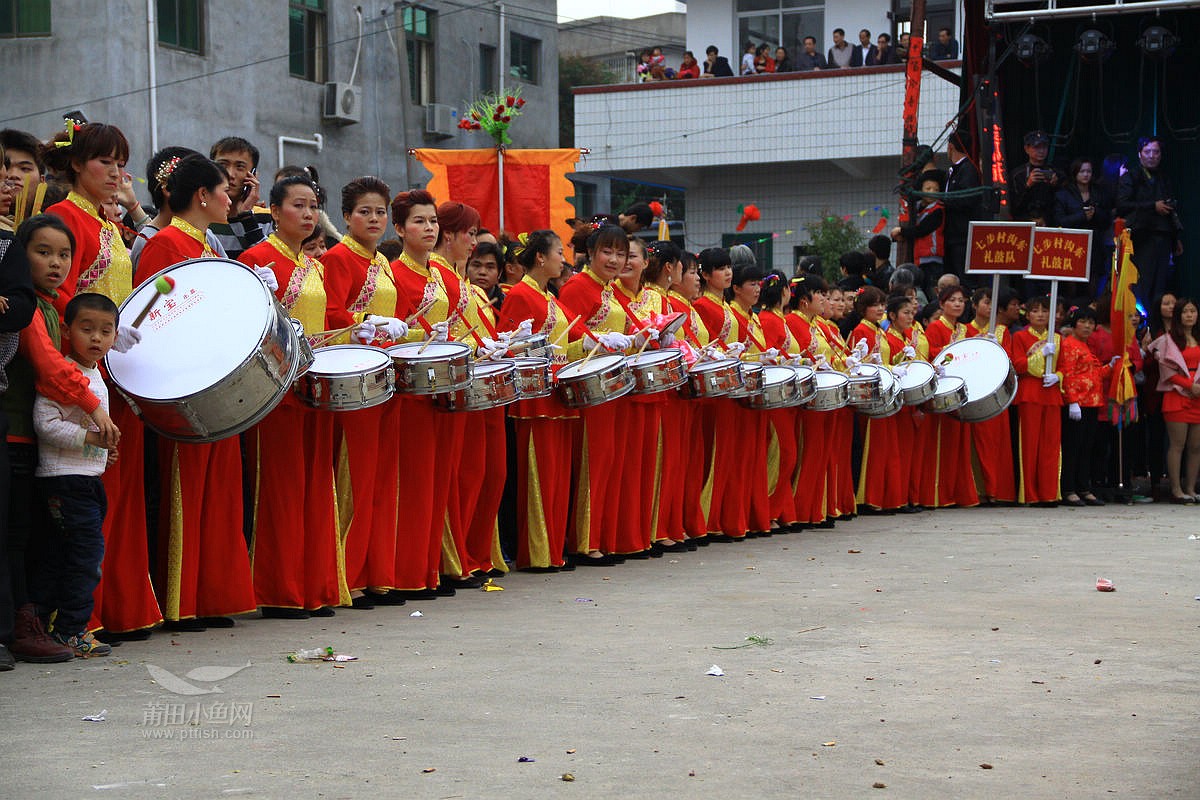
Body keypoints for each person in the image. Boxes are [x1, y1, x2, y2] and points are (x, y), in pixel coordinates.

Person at [42, 121, 162, 639]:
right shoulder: (62, 218)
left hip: (114, 372)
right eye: (104, 162)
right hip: (79, 378)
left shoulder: (109, 223)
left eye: (120, 163)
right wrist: (104, 332)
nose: (116, 173)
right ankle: (80, 616)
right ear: (75, 164)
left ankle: (121, 608)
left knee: (120, 493)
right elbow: (56, 294)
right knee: (93, 497)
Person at [135, 155, 264, 630]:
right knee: (186, 490)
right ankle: (179, 599)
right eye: (224, 190)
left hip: (218, 381)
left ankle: (210, 597)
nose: (232, 198)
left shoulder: (209, 248)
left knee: (220, 492)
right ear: (202, 196)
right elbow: (151, 317)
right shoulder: (166, 243)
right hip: (183, 385)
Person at [239, 175, 346, 617]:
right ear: (275, 211)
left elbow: (330, 322)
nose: (307, 214)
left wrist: (364, 326)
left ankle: (312, 585)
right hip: (275, 389)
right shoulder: (256, 260)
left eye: (312, 206)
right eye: (298, 205)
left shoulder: (316, 266)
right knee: (281, 488)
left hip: (314, 386)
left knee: (315, 486)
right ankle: (278, 589)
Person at [314, 175, 411, 608]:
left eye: (379, 212)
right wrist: (365, 321)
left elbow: (400, 312)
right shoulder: (337, 258)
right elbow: (329, 311)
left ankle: (377, 574)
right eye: (364, 212)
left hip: (385, 375)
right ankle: (346, 576)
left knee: (382, 477)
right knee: (356, 474)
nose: (373, 219)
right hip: (354, 376)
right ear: (346, 216)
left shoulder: (382, 262)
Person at [27, 293, 120, 657]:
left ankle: (44, 623)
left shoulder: (97, 376)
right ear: (66, 329)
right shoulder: (62, 374)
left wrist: (103, 451)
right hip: (64, 479)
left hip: (86, 479)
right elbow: (45, 425)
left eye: (105, 331)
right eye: (87, 329)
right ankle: (70, 628)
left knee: (62, 554)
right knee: (85, 555)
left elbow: (92, 436)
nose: (96, 338)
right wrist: (91, 439)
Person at [498, 230, 586, 570]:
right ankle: (536, 552)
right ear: (540, 257)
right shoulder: (521, 295)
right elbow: (507, 344)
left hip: (558, 395)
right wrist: (536, 349)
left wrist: (603, 343)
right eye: (558, 252)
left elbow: (568, 344)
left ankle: (553, 550)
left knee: (558, 477)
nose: (562, 258)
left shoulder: (551, 298)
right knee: (539, 475)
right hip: (535, 399)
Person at [559, 226, 634, 563]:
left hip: (613, 385)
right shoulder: (577, 286)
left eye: (620, 253)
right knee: (593, 461)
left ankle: (603, 535)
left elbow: (626, 331)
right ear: (591, 252)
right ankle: (584, 541)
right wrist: (598, 340)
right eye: (608, 251)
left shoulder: (611, 290)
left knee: (611, 462)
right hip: (590, 387)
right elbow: (571, 335)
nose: (615, 259)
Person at [0, 221, 52, 668]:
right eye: (43, 252)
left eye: (62, 254)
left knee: (20, 535)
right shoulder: (37, 309)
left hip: (30, 433)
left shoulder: (50, 306)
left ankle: (24, 622)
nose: (54, 263)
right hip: (16, 425)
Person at [919, 285, 979, 508]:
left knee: (959, 442)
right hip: (942, 388)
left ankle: (958, 492)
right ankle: (937, 494)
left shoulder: (966, 330)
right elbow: (930, 355)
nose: (957, 304)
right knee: (940, 440)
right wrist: (950, 349)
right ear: (942, 304)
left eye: (961, 301)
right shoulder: (935, 328)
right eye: (952, 300)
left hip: (962, 389)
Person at [1011, 295, 1064, 505]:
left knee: (1051, 446)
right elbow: (1019, 365)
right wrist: (1041, 354)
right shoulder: (1021, 337)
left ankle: (1049, 493)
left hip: (1051, 394)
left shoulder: (1058, 338)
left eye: (1044, 310)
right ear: (1028, 314)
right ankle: (1030, 494)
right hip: (1030, 392)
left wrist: (1058, 376)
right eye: (1035, 310)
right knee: (1030, 445)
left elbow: (1065, 367)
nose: (1040, 314)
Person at [965, 286, 1017, 504]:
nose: (989, 307)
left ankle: (997, 491)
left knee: (996, 443)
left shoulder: (1002, 331)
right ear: (975, 305)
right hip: (972, 393)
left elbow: (1010, 363)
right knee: (975, 443)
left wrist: (998, 352)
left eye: (992, 303)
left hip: (996, 394)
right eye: (985, 302)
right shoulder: (964, 330)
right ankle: (977, 490)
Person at [1059, 307, 1113, 506]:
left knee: (1086, 447)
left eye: (1091, 323)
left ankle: (1083, 487)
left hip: (1092, 402)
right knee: (1073, 447)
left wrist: (1112, 366)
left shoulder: (1086, 346)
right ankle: (1068, 488)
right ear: (1074, 324)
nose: (1088, 326)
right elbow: (1068, 373)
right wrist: (1072, 401)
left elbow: (1095, 374)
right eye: (1083, 322)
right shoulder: (1069, 345)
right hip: (1077, 403)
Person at [1117, 137, 1181, 305]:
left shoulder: (1164, 177)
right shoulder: (1131, 176)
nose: (1152, 156)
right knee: (1143, 282)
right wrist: (1153, 206)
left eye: (1156, 152)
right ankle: (1140, 321)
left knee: (1161, 283)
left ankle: (1156, 323)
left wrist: (1175, 239)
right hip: (1141, 237)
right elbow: (1122, 204)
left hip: (1163, 236)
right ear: (1139, 154)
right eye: (1147, 152)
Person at [1148, 297, 1200, 502]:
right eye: (1185, 312)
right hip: (1177, 394)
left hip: (1198, 396)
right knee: (1177, 444)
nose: (1189, 315)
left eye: (1192, 311)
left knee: (1196, 446)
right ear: (1178, 315)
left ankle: (1190, 488)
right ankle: (1176, 489)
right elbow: (1167, 371)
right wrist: (1190, 386)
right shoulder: (1168, 339)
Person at [1055, 158, 1113, 298]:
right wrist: (1082, 216)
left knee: (1093, 282)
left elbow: (1107, 219)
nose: (1086, 175)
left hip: (1095, 245)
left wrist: (1096, 213)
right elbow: (1059, 220)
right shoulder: (1063, 194)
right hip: (1071, 245)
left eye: (1089, 171)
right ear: (1075, 173)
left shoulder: (1099, 192)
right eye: (1082, 171)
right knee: (1071, 285)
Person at [208, 137, 270, 260]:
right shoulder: (202, 218)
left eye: (240, 167)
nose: (230, 174)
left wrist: (247, 217)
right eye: (223, 165)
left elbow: (268, 265)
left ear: (253, 174)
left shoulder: (267, 219)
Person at [943, 131, 985, 281]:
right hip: (952, 235)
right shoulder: (952, 171)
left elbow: (967, 200)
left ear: (950, 147)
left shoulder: (968, 170)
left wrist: (944, 202)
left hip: (963, 236)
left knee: (965, 278)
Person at [892, 171, 946, 285]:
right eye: (928, 188)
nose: (932, 192)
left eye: (936, 190)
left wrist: (901, 231)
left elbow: (922, 230)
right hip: (921, 258)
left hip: (933, 260)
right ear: (920, 190)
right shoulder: (917, 208)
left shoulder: (938, 210)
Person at [1009, 130, 1064, 226]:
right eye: (1037, 147)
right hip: (1024, 224)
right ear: (1026, 149)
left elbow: (1062, 204)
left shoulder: (1057, 172)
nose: (1041, 151)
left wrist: (1055, 186)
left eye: (1044, 147)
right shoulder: (1017, 175)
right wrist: (1028, 185)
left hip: (1049, 224)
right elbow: (1013, 206)